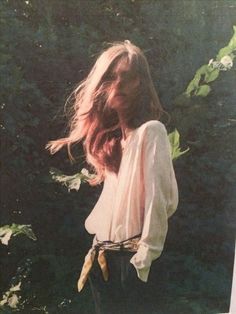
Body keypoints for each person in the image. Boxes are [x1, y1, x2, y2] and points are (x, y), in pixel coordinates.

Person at [46, 40, 178, 314]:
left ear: (139, 84)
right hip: (100, 258)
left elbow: (159, 201)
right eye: (110, 77)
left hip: (132, 263)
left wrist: (144, 259)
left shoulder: (151, 132)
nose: (117, 85)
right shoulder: (114, 145)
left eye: (126, 77)